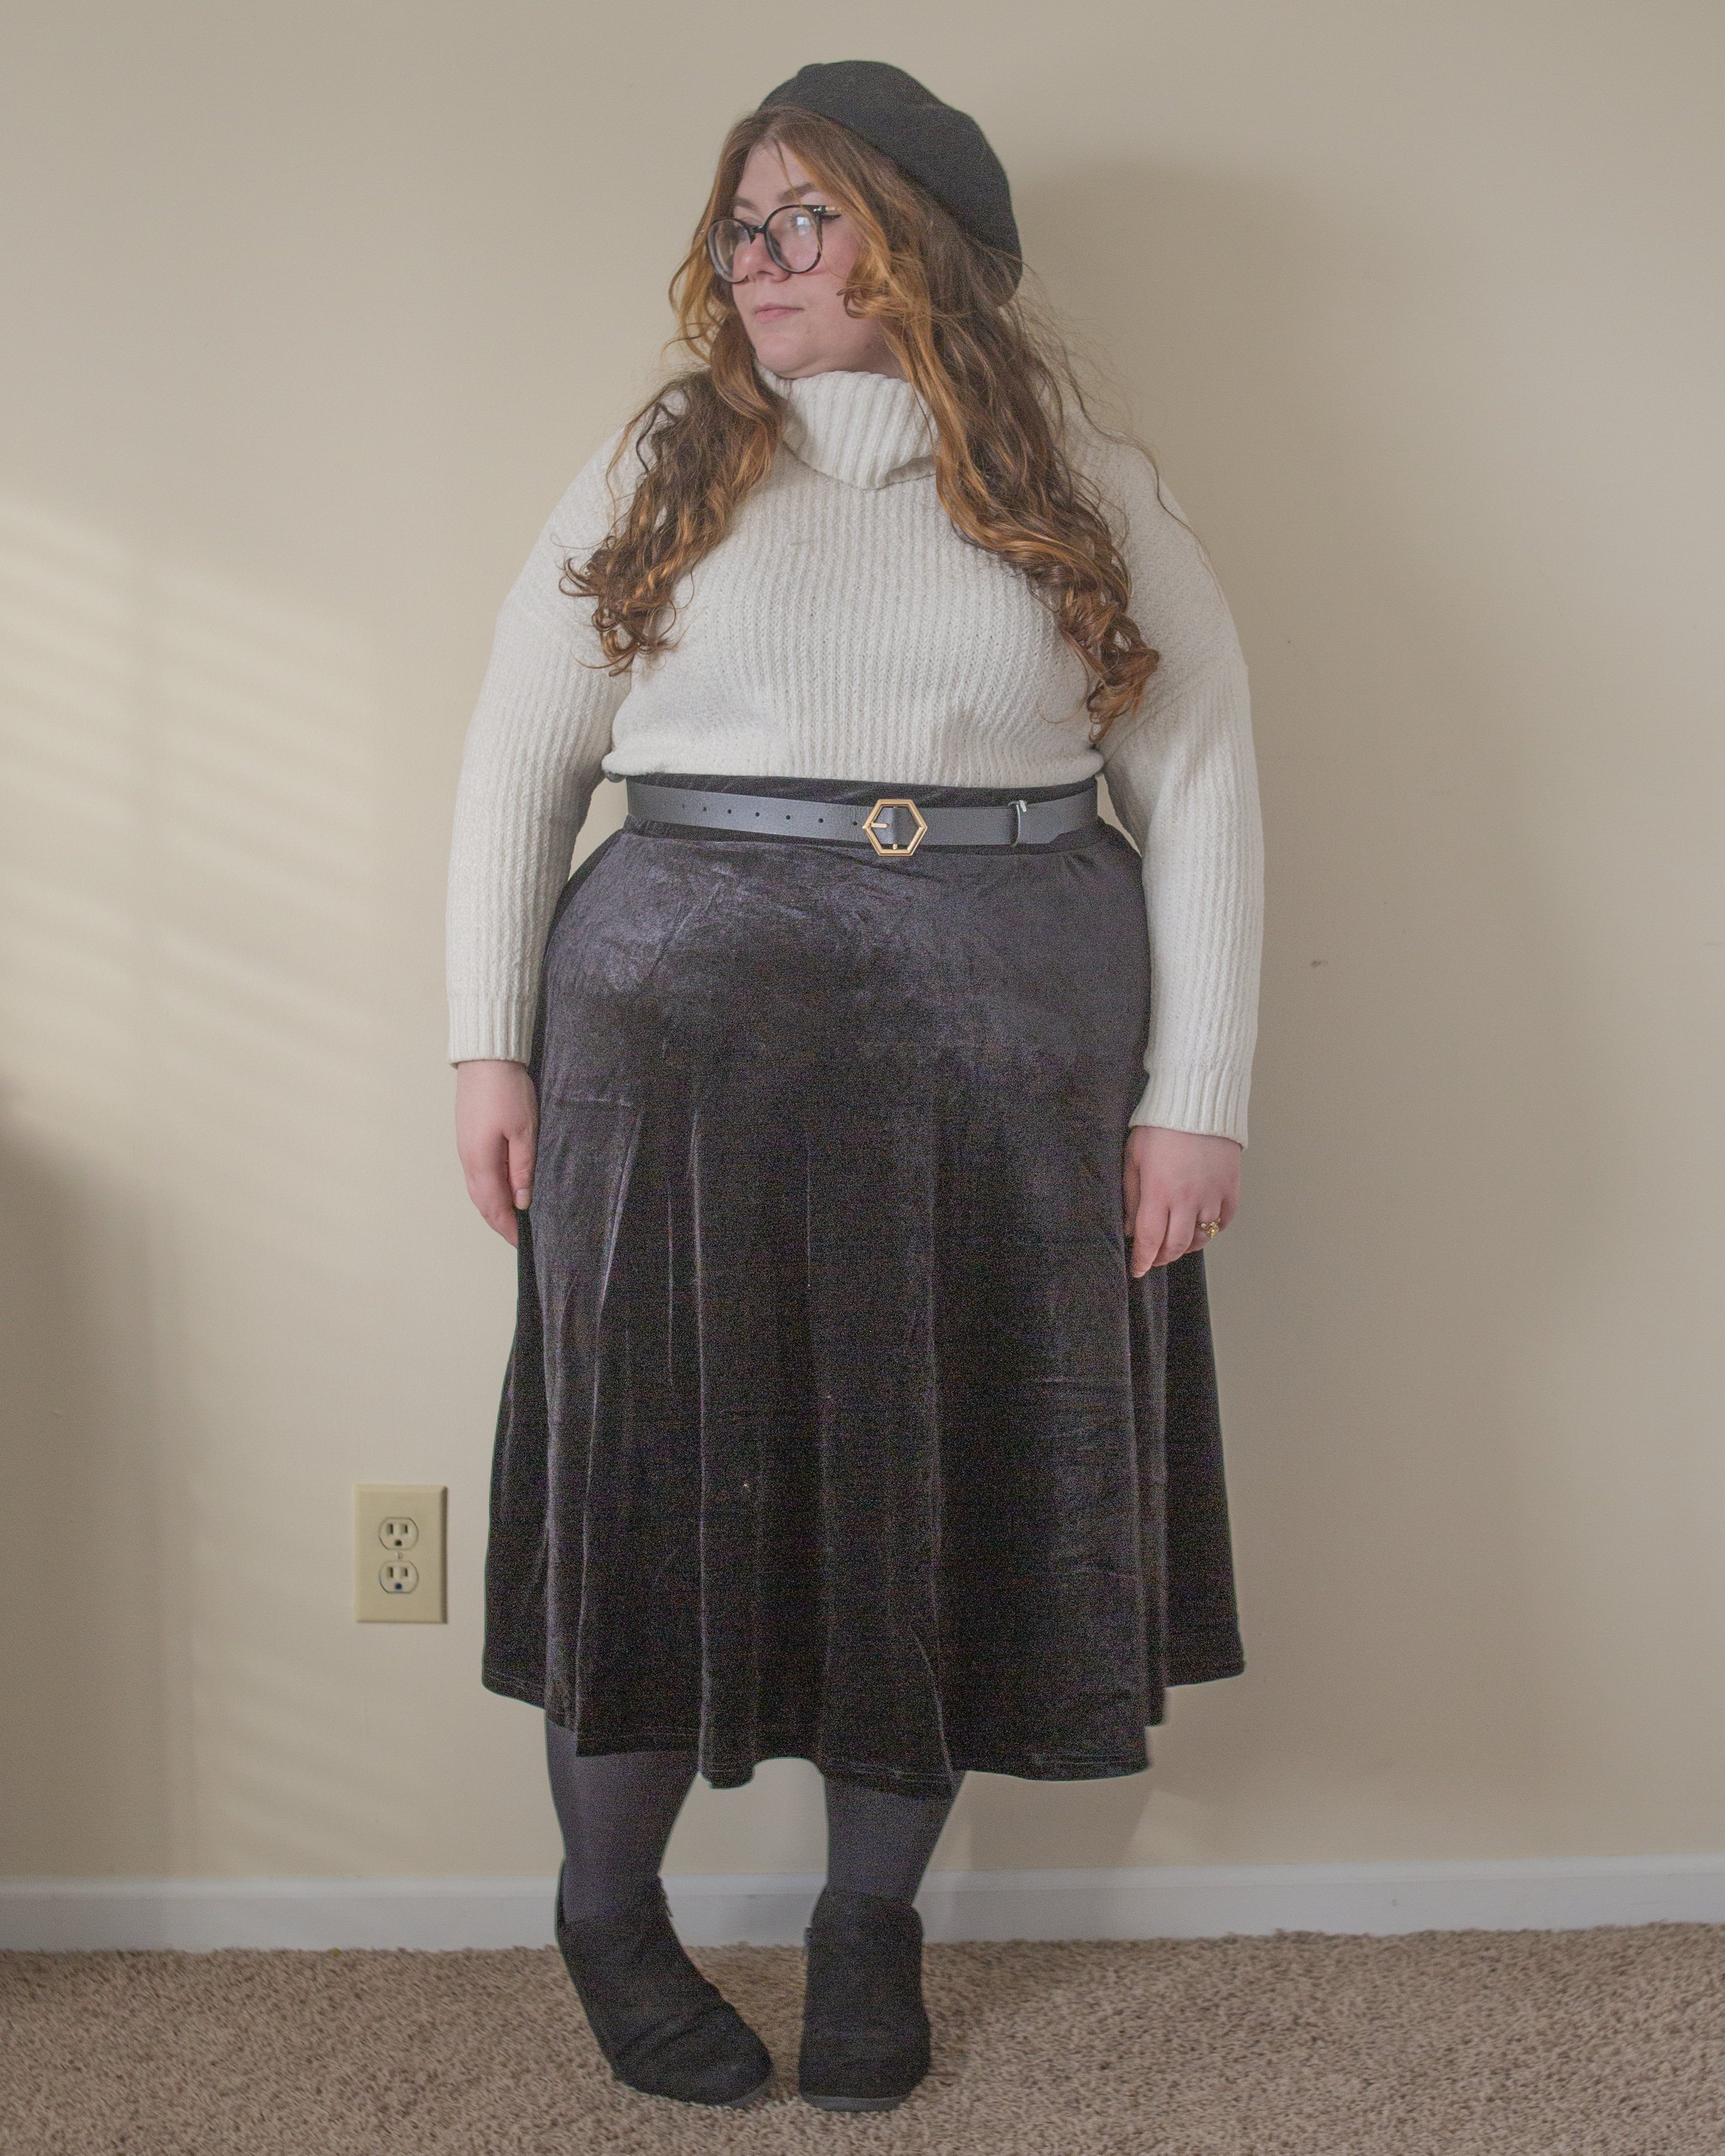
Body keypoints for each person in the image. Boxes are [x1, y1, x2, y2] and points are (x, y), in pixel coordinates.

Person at [447, 60, 1262, 2114]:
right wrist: (485, 1038)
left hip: (1004, 1059)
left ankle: (866, 1919)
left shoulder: (1076, 476)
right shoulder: (660, 456)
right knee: (650, 1475)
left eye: (807, 218)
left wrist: (1201, 1088)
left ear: (926, 250)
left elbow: (1205, 777)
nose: (762, 260)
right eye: (742, 223)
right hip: (677, 1062)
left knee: (937, 1476)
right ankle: (606, 1910)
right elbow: (517, 755)